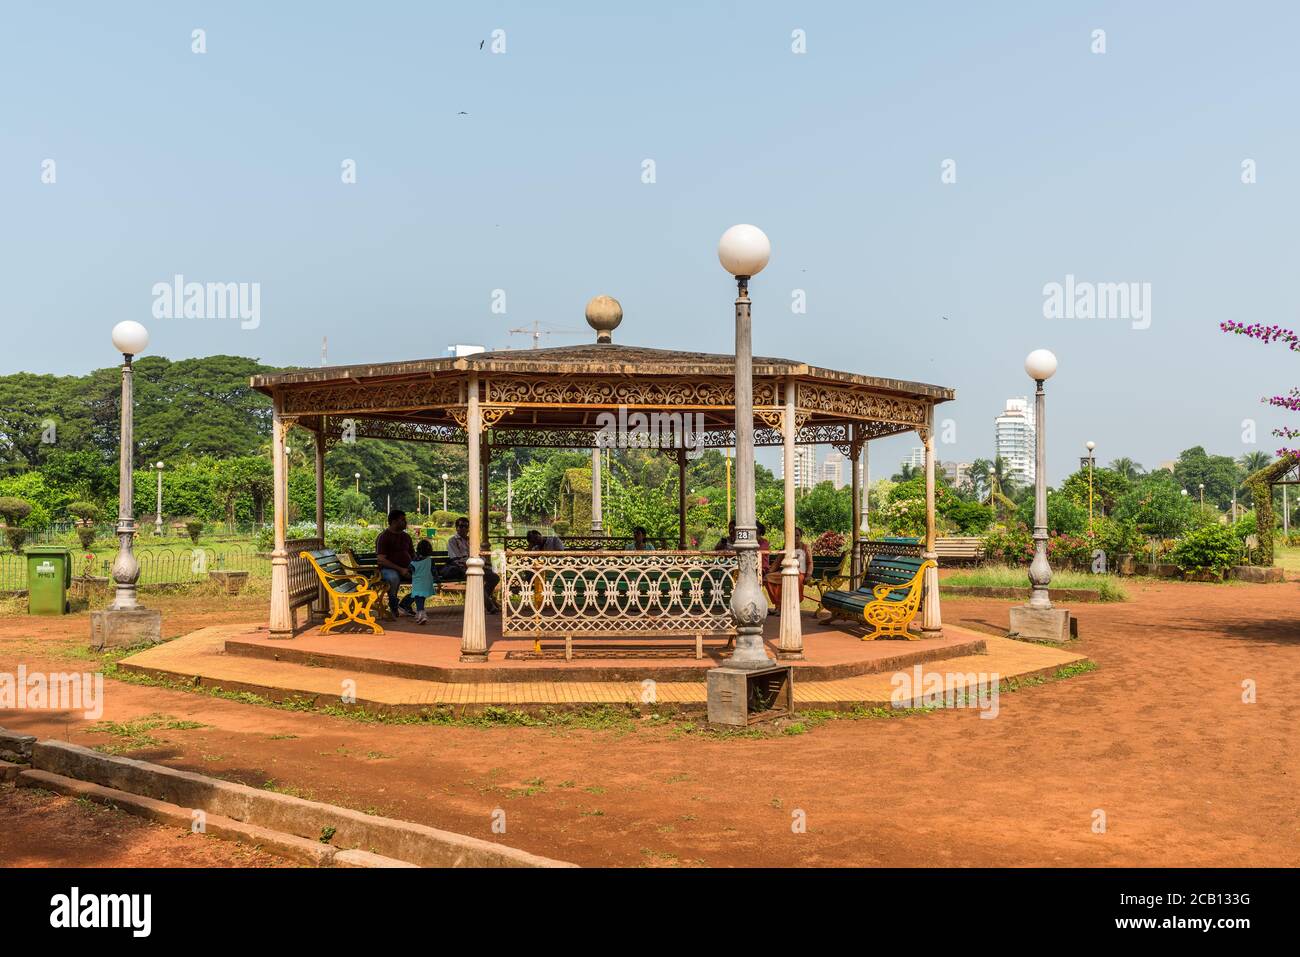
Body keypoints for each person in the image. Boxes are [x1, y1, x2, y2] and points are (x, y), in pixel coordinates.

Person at [439, 516, 500, 613]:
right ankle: (490, 606)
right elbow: (455, 558)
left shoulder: (471, 540)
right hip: (461, 567)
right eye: (460, 526)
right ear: (456, 528)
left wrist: (484, 562)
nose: (463, 528)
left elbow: (478, 553)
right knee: (477, 580)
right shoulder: (453, 541)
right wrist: (467, 564)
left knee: (494, 577)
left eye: (466, 526)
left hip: (475, 565)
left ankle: (482, 599)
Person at [376, 509, 416, 618]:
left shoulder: (406, 537)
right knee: (393, 578)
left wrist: (414, 567)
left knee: (425, 577)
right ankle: (393, 606)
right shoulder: (384, 537)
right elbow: (381, 559)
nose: (405, 522)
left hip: (406, 567)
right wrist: (401, 570)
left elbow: (413, 555)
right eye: (402, 520)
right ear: (394, 522)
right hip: (388, 569)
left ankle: (405, 604)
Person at [765, 526, 811, 606]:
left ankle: (792, 605)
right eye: (793, 535)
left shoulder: (805, 547)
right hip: (785, 571)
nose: (795, 538)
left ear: (801, 536)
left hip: (799, 574)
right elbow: (778, 561)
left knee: (794, 580)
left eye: (797, 535)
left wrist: (808, 576)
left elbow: (810, 563)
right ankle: (778, 604)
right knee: (767, 578)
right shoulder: (786, 546)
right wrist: (770, 570)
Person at [409, 539, 438, 625]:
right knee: (422, 598)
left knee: (418, 599)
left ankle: (422, 614)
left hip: (417, 583)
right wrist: (438, 581)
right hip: (427, 582)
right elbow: (434, 571)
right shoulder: (430, 560)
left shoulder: (413, 562)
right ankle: (419, 614)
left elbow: (410, 571)